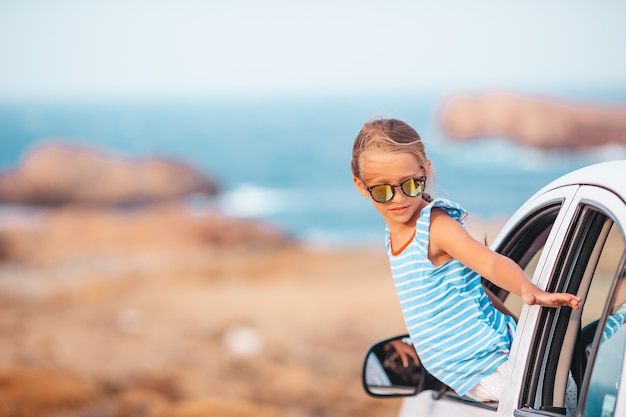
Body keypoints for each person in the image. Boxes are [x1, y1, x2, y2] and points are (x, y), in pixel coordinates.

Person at [350, 118, 582, 403]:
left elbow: (490, 264)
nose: (399, 199)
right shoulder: (394, 234)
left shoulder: (434, 226)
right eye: (383, 190)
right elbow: (472, 290)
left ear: (426, 172)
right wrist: (522, 326)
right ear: (361, 186)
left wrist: (527, 290)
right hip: (477, 374)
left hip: (496, 362)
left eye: (411, 185)